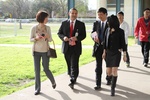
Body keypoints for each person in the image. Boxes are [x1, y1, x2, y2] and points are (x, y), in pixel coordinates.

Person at [57, 8, 86, 89]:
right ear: (69, 13)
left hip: (76, 48)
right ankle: (71, 74)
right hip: (66, 47)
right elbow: (59, 33)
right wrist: (64, 37)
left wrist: (76, 39)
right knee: (69, 63)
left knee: (74, 64)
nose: (74, 15)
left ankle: (73, 79)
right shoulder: (64, 23)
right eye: (72, 13)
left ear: (77, 14)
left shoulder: (81, 24)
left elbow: (83, 35)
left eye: (75, 13)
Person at [30, 10, 56, 95]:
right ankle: (37, 89)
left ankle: (53, 81)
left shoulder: (48, 28)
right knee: (37, 71)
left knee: (46, 69)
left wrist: (48, 37)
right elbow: (30, 39)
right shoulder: (34, 28)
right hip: (36, 51)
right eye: (46, 18)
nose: (47, 19)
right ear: (42, 18)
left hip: (45, 51)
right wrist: (36, 39)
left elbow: (51, 39)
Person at [102, 15, 126, 96]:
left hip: (116, 53)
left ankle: (113, 89)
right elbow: (105, 42)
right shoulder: (107, 30)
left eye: (109, 21)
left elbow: (123, 43)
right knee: (108, 72)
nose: (108, 22)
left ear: (113, 22)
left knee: (114, 70)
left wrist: (124, 54)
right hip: (108, 53)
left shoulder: (120, 31)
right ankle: (110, 78)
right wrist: (104, 52)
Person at [91, 7, 108, 90]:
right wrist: (94, 37)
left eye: (101, 14)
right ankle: (98, 84)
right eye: (98, 15)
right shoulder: (96, 23)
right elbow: (92, 33)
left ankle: (109, 78)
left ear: (105, 14)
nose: (99, 16)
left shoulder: (110, 23)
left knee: (108, 65)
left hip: (107, 49)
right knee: (98, 66)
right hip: (98, 47)